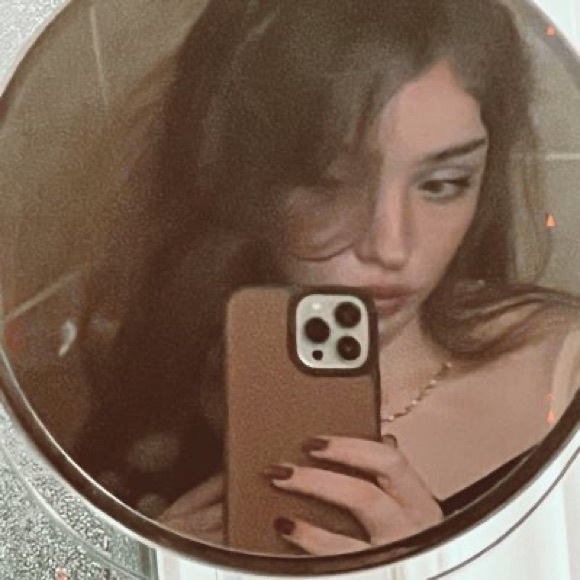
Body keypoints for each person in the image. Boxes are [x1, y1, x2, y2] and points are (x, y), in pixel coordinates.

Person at [75, 0, 580, 555]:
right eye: (327, 181)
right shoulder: (155, 395)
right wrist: (144, 565)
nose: (391, 246)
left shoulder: (564, 375)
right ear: (238, 179)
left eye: (443, 183)